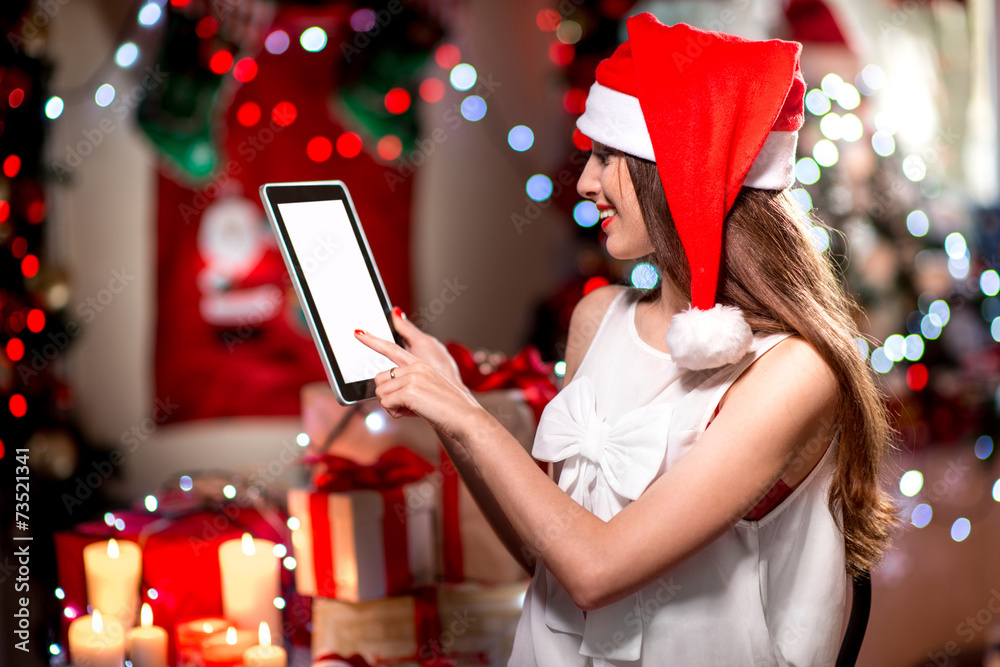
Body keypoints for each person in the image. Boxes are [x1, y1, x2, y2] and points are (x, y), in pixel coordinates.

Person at [355, 12, 897, 665]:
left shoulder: (792, 372)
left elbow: (595, 568)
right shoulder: (598, 318)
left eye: (607, 156)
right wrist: (445, 408)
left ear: (681, 175)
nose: (584, 182)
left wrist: (469, 416)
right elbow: (546, 553)